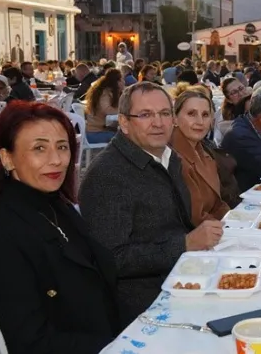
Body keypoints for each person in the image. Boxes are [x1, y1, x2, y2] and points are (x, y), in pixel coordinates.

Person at [0, 102, 119, 354]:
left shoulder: (58, 208)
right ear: (7, 158)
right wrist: (117, 350)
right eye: (39, 149)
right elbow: (32, 342)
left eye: (62, 147)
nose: (56, 160)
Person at [79, 82, 222, 321]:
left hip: (184, 278)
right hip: (145, 305)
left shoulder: (168, 157)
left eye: (165, 113)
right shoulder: (107, 175)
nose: (158, 123)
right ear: (124, 123)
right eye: (145, 115)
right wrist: (185, 244)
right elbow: (111, 259)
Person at [171, 88, 229, 225]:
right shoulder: (173, 158)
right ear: (175, 118)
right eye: (191, 114)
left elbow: (218, 204)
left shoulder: (204, 153)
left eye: (205, 115)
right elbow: (195, 218)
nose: (200, 121)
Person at [84, 68, 122, 144]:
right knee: (126, 140)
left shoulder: (104, 90)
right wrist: (123, 111)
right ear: (116, 81)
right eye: (121, 80)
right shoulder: (105, 93)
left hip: (98, 131)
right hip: (95, 133)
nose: (123, 82)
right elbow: (107, 109)